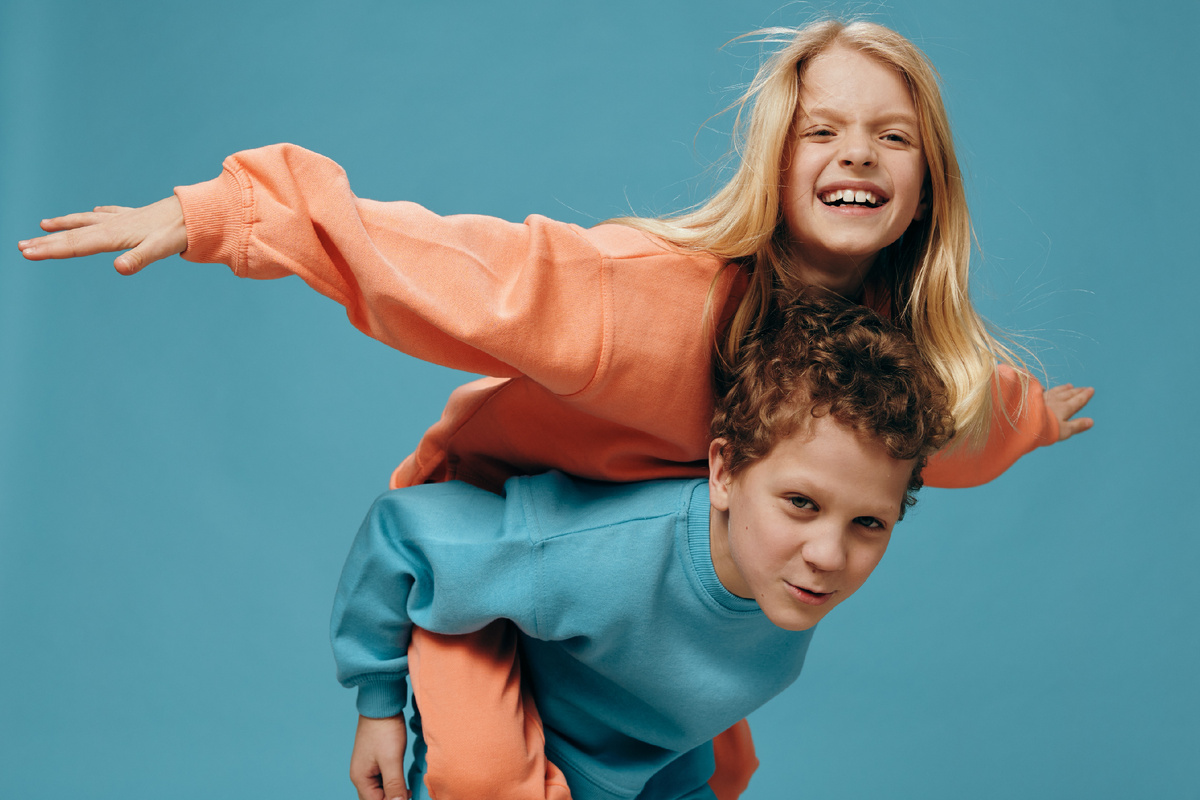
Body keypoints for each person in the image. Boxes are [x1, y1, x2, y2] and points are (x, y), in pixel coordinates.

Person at [16, 18, 1094, 799]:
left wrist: (1033, 417)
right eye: (823, 130)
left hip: (640, 632)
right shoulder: (653, 301)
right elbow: (459, 271)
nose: (857, 152)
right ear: (775, 159)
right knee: (490, 779)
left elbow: (965, 424)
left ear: (929, 183)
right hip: (490, 570)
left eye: (893, 136)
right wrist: (228, 214)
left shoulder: (902, 378)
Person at [332, 291, 956, 800]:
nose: (829, 555)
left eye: (868, 524)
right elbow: (402, 530)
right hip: (524, 736)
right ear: (725, 472)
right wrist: (378, 705)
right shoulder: (595, 554)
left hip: (654, 770)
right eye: (801, 503)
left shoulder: (786, 582)